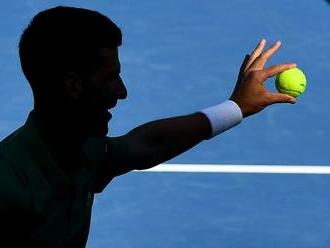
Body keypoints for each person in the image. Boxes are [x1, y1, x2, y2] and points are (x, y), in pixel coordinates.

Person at [0, 5, 297, 247]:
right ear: (73, 86)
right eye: (110, 78)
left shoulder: (82, 150)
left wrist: (236, 107)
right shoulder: (9, 184)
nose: (122, 91)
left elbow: (146, 144)